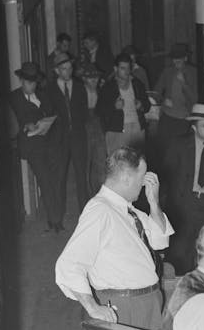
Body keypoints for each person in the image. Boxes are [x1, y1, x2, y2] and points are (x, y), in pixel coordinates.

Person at [55, 146, 173, 330]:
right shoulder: (100, 210)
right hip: (125, 308)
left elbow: (160, 241)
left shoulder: (128, 211)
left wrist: (154, 203)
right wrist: (93, 307)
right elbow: (69, 264)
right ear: (126, 178)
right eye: (142, 178)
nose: (144, 184)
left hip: (147, 303)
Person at [162, 103, 204, 274]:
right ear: (194, 127)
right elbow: (167, 173)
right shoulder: (179, 145)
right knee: (181, 250)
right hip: (186, 202)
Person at [8, 60, 65, 232]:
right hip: (32, 147)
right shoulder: (14, 98)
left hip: (49, 142)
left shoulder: (42, 95)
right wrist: (26, 125)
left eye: (34, 83)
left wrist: (47, 120)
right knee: (45, 181)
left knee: (55, 180)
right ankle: (55, 220)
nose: (31, 86)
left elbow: (52, 113)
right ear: (21, 81)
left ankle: (56, 217)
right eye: (28, 82)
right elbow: (12, 123)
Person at [48, 49, 89, 212]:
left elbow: (84, 111)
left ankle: (85, 214)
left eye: (70, 68)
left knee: (81, 177)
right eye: (64, 69)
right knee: (59, 178)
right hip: (59, 139)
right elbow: (48, 113)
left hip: (78, 137)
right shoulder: (50, 89)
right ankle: (57, 216)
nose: (68, 72)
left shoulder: (79, 87)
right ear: (57, 71)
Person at [96, 51, 149, 154]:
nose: (126, 71)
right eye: (122, 68)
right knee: (118, 162)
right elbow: (99, 110)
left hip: (137, 129)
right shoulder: (108, 88)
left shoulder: (137, 84)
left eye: (128, 68)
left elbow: (147, 106)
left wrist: (141, 105)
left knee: (137, 162)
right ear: (115, 69)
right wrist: (114, 107)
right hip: (117, 130)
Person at [153, 42, 197, 159]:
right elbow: (156, 92)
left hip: (184, 119)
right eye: (174, 58)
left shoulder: (193, 72)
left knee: (181, 152)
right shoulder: (167, 72)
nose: (176, 61)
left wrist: (184, 84)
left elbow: (195, 99)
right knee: (163, 150)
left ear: (185, 58)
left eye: (179, 58)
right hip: (167, 117)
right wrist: (163, 100)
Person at [81, 64, 107, 198]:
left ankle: (101, 196)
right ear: (84, 79)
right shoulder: (79, 93)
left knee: (101, 163)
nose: (94, 81)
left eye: (96, 78)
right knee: (85, 165)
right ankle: (88, 197)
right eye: (91, 78)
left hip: (98, 129)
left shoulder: (101, 92)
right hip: (84, 130)